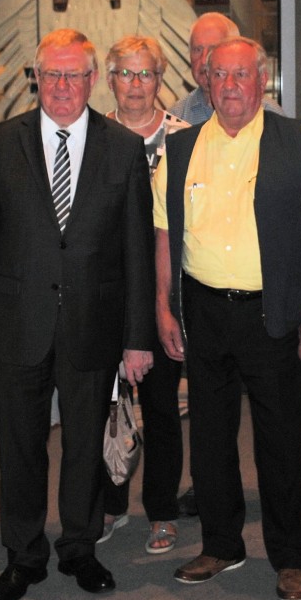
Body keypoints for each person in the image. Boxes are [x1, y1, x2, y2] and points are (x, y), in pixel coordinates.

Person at [0, 28, 155, 600]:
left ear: (94, 80)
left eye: (74, 75)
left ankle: (79, 547)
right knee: (20, 444)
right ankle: (23, 556)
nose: (63, 86)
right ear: (36, 79)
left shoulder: (122, 147)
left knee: (83, 445)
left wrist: (137, 337)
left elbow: (137, 251)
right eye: (52, 74)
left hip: (93, 324)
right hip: (17, 324)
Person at [154, 37, 301, 600]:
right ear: (205, 82)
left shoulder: (296, 141)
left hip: (276, 312)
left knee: (281, 439)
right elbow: (165, 234)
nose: (231, 86)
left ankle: (289, 558)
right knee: (210, 437)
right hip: (205, 312)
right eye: (220, 75)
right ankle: (221, 544)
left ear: (261, 80)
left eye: (241, 75)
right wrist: (164, 307)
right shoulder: (181, 149)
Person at [168, 12, 283, 519]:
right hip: (205, 301)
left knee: (276, 425)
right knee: (211, 424)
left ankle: (284, 539)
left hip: (266, 303)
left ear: (257, 77)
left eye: (227, 61)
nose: (215, 70)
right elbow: (164, 227)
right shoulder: (177, 124)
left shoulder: (280, 129)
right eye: (201, 56)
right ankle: (217, 522)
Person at [99, 35, 190, 553]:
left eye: (146, 74)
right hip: (106, 295)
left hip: (163, 291)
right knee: (105, 404)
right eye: (126, 73)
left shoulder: (185, 139)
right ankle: (110, 505)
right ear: (110, 79)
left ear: (160, 79)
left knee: (161, 406)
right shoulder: (92, 135)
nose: (136, 84)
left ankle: (162, 511)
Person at [169, 12, 284, 127]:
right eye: (197, 49)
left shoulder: (268, 114)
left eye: (212, 49)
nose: (204, 60)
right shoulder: (177, 117)